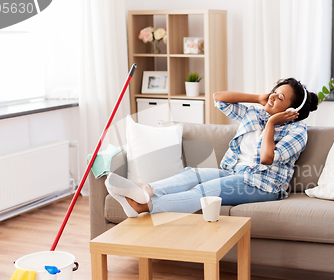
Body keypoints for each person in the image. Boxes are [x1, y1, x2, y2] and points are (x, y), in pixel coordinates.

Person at [105, 77, 318, 217]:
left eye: (279, 97)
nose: (272, 96)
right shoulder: (256, 113)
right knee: (191, 174)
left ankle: (146, 206)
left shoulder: (297, 132)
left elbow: (266, 158)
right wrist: (258, 98)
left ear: (291, 109)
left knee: (204, 191)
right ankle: (147, 190)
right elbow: (219, 99)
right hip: (234, 172)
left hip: (263, 185)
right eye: (274, 91)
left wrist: (272, 124)